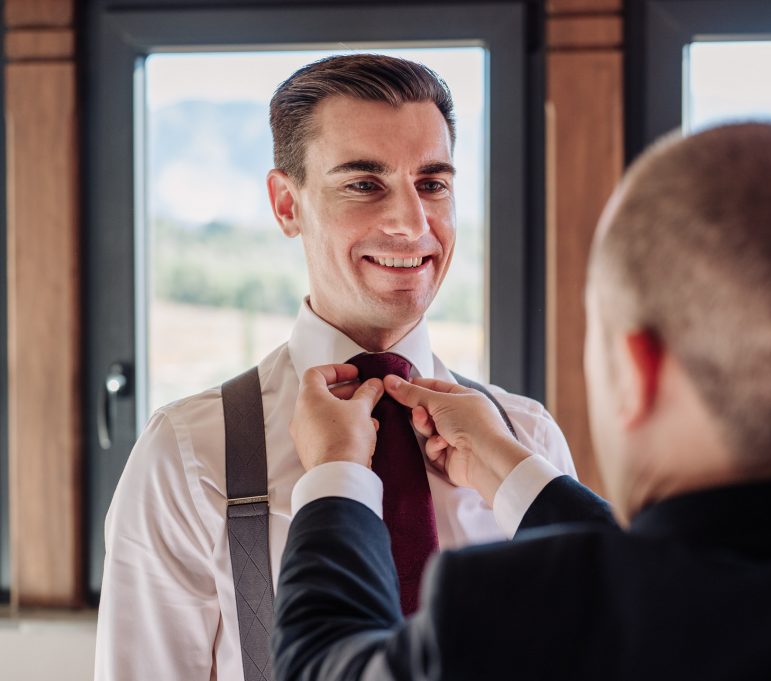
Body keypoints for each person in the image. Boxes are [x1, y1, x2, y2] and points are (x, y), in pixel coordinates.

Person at [273, 122, 771, 680]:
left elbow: (322, 663)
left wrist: (336, 471)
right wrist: (510, 468)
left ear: (636, 368)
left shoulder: (510, 616)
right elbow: (674, 580)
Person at [94, 54, 576, 681]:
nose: (411, 222)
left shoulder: (527, 438)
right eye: (364, 184)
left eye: (432, 183)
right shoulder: (187, 456)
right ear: (286, 205)